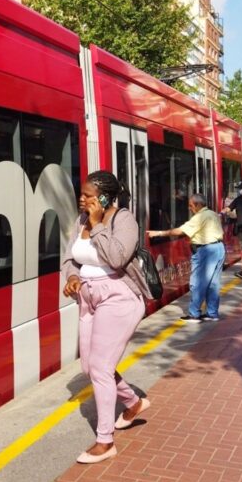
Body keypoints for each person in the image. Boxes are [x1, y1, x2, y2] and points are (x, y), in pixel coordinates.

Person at [61, 170, 154, 465]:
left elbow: (116, 258)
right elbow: (70, 257)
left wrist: (99, 224)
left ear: (103, 197)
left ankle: (105, 441)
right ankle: (133, 402)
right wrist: (73, 276)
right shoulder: (80, 221)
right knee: (90, 366)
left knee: (101, 367)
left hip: (118, 297)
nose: (82, 198)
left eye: (88, 195)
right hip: (87, 298)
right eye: (82, 193)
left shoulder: (123, 219)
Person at [147, 193, 224, 323]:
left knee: (198, 283)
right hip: (218, 248)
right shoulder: (212, 214)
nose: (189, 208)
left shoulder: (199, 217)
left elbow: (180, 231)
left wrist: (158, 233)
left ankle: (194, 314)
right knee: (213, 284)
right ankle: (212, 313)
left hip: (205, 250)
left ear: (198, 205)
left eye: (191, 205)